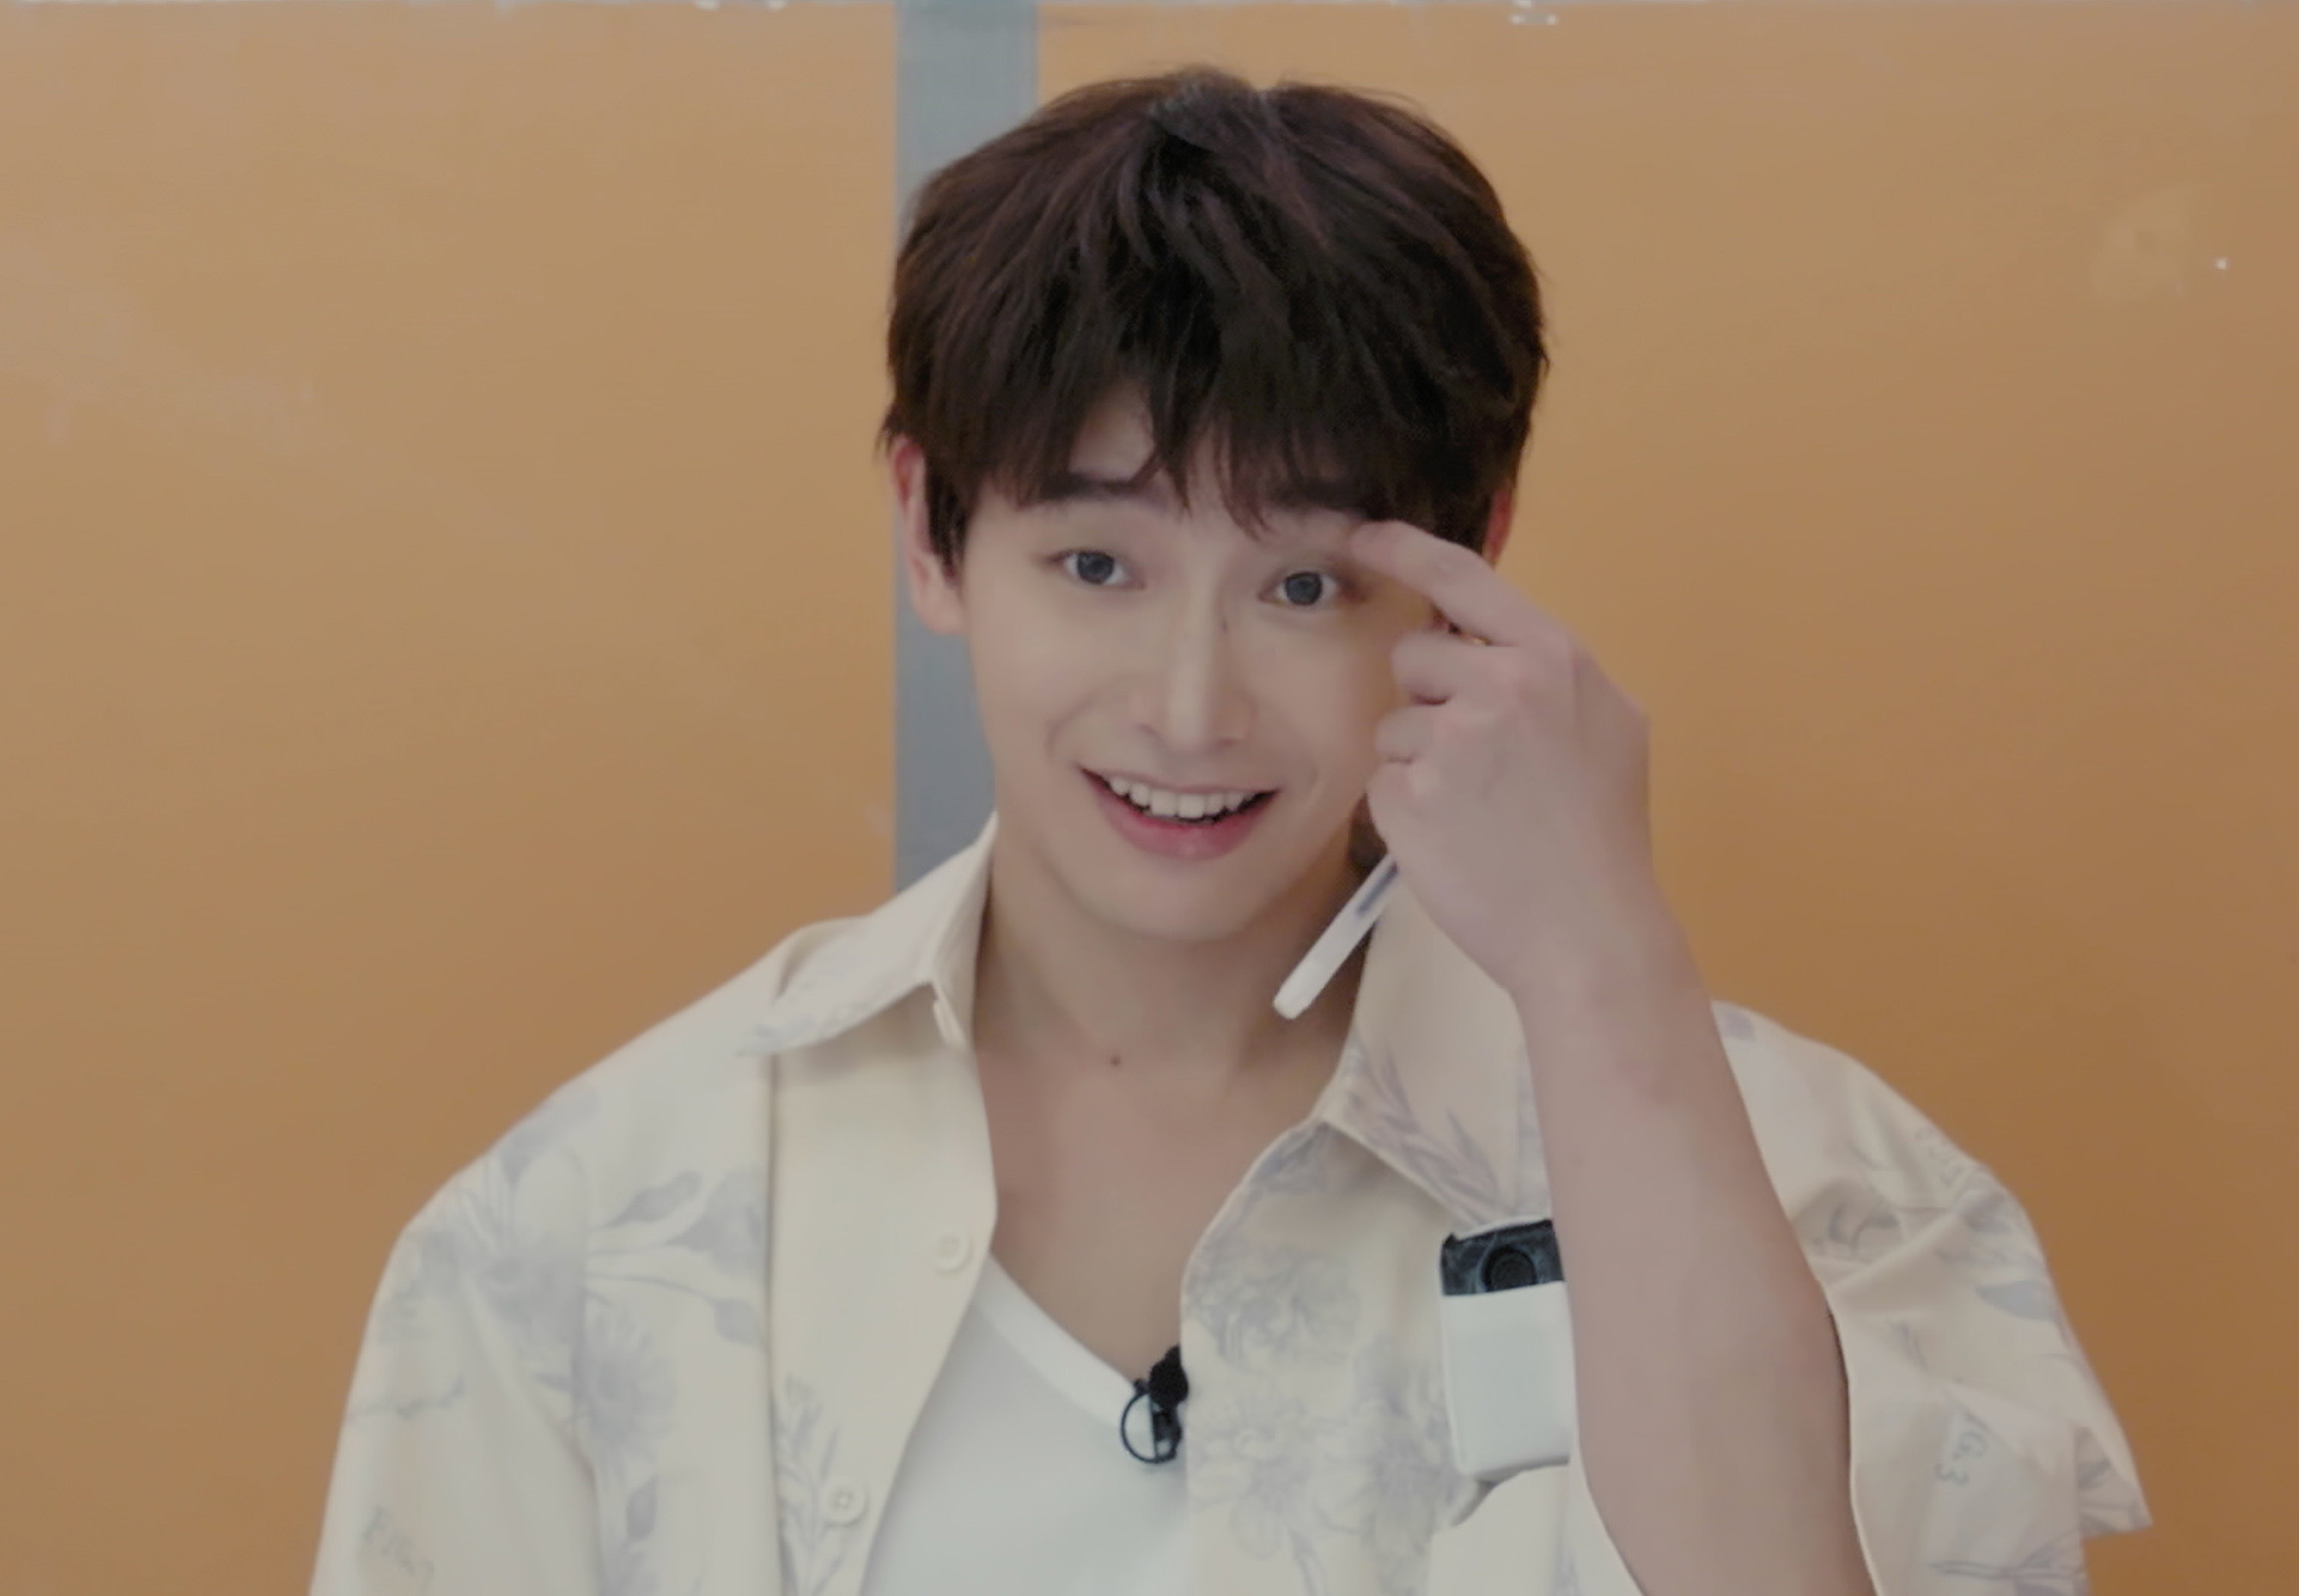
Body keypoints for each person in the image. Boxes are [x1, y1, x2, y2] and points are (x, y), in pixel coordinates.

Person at [310, 66, 2147, 1596]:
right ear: (931, 533)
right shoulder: (600, 1220)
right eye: (1094, 564)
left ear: (1474, 555)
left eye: (1301, 583)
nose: (1188, 710)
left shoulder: (1817, 1183)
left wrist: (1603, 977)